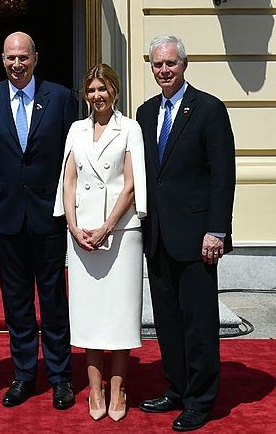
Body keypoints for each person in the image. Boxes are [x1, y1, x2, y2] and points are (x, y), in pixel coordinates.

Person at [0, 31, 78, 410]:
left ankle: (61, 377)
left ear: (36, 58)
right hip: (5, 216)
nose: (17, 64)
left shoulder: (62, 98)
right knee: (16, 302)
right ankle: (23, 375)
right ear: (2, 59)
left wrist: (74, 209)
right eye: (10, 57)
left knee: (53, 299)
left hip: (49, 215)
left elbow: (74, 157)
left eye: (24, 57)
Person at [136, 35, 235, 432]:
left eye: (170, 64)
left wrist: (217, 230)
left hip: (197, 239)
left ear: (184, 65)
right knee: (168, 322)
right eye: (158, 64)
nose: (164, 71)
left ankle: (201, 399)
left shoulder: (209, 109)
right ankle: (176, 388)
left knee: (199, 323)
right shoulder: (145, 113)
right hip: (157, 237)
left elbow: (223, 175)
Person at [53, 64, 147, 421]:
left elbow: (131, 184)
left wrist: (108, 226)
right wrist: (74, 228)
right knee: (89, 315)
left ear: (115, 91)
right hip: (82, 237)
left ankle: (120, 387)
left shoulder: (131, 129)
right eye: (91, 90)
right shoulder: (76, 130)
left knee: (120, 315)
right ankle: (95, 388)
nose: (97, 96)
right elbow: (69, 181)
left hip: (121, 235)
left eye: (103, 89)